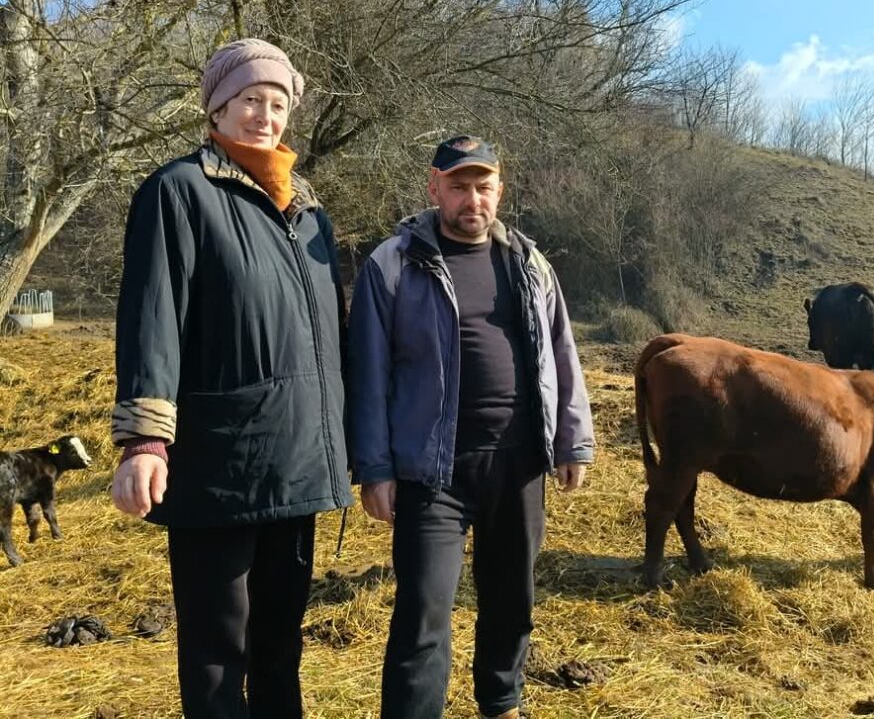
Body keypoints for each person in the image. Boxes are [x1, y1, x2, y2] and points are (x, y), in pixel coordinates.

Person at [109, 38, 353, 719]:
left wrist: (351, 445)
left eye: (276, 103)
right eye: (249, 100)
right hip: (218, 463)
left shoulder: (309, 212)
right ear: (217, 108)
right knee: (218, 651)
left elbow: (328, 338)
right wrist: (145, 441)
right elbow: (152, 316)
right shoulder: (179, 191)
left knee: (281, 646)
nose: (264, 115)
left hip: (300, 462)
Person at [348, 135, 595, 719]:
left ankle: (501, 703)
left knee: (512, 598)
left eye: (483, 187)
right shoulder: (394, 263)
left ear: (500, 191)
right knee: (425, 608)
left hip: (517, 461)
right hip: (432, 469)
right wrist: (375, 467)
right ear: (433, 188)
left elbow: (563, 351)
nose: (472, 199)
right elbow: (367, 373)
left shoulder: (529, 262)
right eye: (458, 186)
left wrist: (572, 438)